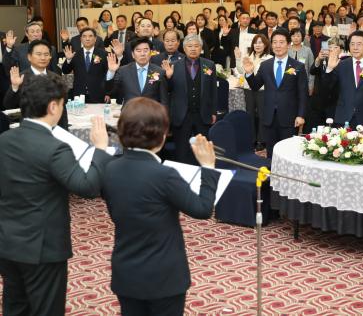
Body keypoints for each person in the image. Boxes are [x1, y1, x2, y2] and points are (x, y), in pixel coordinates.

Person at [0, 74, 111, 316]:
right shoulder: (55, 147)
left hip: (7, 242)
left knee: (14, 307)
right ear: (53, 106)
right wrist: (100, 150)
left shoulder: (4, 140)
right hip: (43, 247)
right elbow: (87, 187)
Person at [101, 97, 219, 316]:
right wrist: (208, 168)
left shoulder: (109, 170)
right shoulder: (164, 175)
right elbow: (202, 209)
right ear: (162, 135)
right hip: (164, 277)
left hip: (126, 273)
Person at [242, 30, 308, 157]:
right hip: (269, 117)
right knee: (271, 153)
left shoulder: (298, 66)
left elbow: (303, 93)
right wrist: (249, 73)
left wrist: (301, 115)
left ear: (288, 44)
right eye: (275, 42)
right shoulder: (265, 65)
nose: (278, 46)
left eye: (281, 42)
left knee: (289, 153)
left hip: (290, 117)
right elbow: (255, 86)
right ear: (271, 45)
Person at [162, 35, 217, 164]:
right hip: (181, 114)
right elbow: (168, 90)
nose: (193, 49)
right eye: (190, 46)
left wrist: (213, 111)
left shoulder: (209, 65)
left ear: (201, 49)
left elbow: (213, 90)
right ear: (184, 49)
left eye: (196, 46)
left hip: (202, 113)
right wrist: (168, 77)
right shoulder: (174, 65)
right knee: (181, 151)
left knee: (203, 150)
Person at [323, 31, 363, 130]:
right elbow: (327, 88)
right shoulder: (341, 64)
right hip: (343, 117)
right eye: (352, 44)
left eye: (359, 44)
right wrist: (329, 69)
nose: (355, 47)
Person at [4, 40, 69, 130]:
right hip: (30, 130)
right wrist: (15, 86)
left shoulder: (56, 78)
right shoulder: (20, 78)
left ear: (50, 57)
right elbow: (8, 104)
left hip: (55, 129)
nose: (43, 58)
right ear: (29, 57)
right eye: (38, 54)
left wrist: (64, 130)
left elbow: (63, 108)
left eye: (46, 54)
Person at [235, 34, 272, 149]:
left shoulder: (269, 58)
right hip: (248, 89)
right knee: (249, 114)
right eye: (256, 42)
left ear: (265, 44)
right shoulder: (248, 56)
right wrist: (238, 58)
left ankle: (261, 140)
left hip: (262, 90)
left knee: (262, 115)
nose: (258, 45)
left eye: (261, 42)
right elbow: (241, 71)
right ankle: (251, 139)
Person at [106, 37, 169, 106]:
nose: (142, 54)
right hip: (129, 113)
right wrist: (111, 72)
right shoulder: (123, 71)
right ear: (133, 54)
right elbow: (110, 91)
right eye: (138, 51)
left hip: (152, 114)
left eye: (145, 50)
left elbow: (164, 100)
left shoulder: (160, 71)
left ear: (150, 53)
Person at [61, 28, 109, 103]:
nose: (87, 39)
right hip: (79, 95)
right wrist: (68, 60)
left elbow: (108, 74)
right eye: (84, 36)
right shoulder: (75, 54)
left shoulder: (103, 54)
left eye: (90, 36)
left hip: (98, 94)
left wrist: (108, 93)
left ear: (95, 39)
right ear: (81, 39)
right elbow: (65, 71)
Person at [288, 28, 315, 95]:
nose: (296, 38)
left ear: (302, 37)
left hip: (304, 84)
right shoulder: (286, 50)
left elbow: (312, 70)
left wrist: (310, 86)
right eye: (293, 36)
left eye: (298, 36)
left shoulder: (308, 50)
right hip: (288, 84)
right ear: (290, 37)